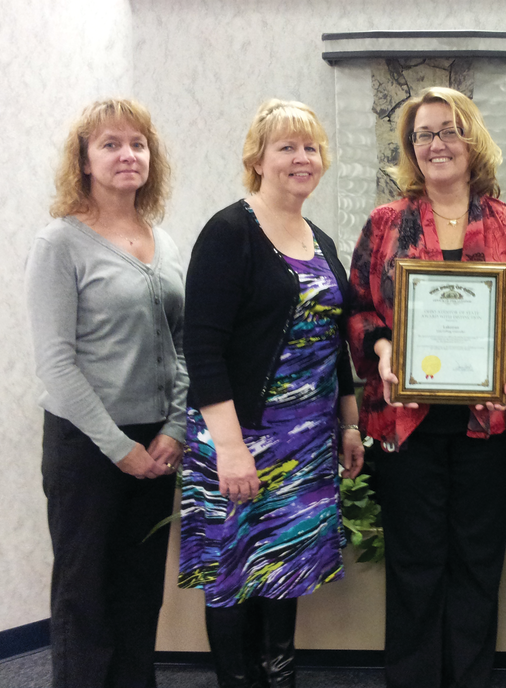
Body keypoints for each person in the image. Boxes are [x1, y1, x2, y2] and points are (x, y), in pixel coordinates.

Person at [347, 86, 506, 688]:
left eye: (448, 130)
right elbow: (356, 309)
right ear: (411, 148)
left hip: (485, 420)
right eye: (424, 134)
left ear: (471, 139)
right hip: (407, 417)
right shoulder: (385, 224)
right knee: (415, 561)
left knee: (478, 561)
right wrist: (382, 350)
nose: (437, 144)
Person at [179, 99, 364, 688]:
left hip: (307, 442)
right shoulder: (229, 231)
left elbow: (335, 343)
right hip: (241, 435)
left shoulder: (323, 240)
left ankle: (278, 677)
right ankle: (238, 681)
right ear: (257, 159)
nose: (301, 158)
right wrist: (230, 449)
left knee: (286, 565)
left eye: (310, 147)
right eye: (286, 147)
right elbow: (201, 348)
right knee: (233, 573)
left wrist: (350, 422)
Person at [26, 99, 186, 688]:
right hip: (87, 445)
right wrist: (118, 446)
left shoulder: (162, 241)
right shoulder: (59, 244)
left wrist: (173, 427)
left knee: (140, 592)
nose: (127, 155)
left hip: (158, 442)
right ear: (85, 161)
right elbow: (56, 364)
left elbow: (183, 344)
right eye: (111, 144)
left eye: (138, 144)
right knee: (84, 594)